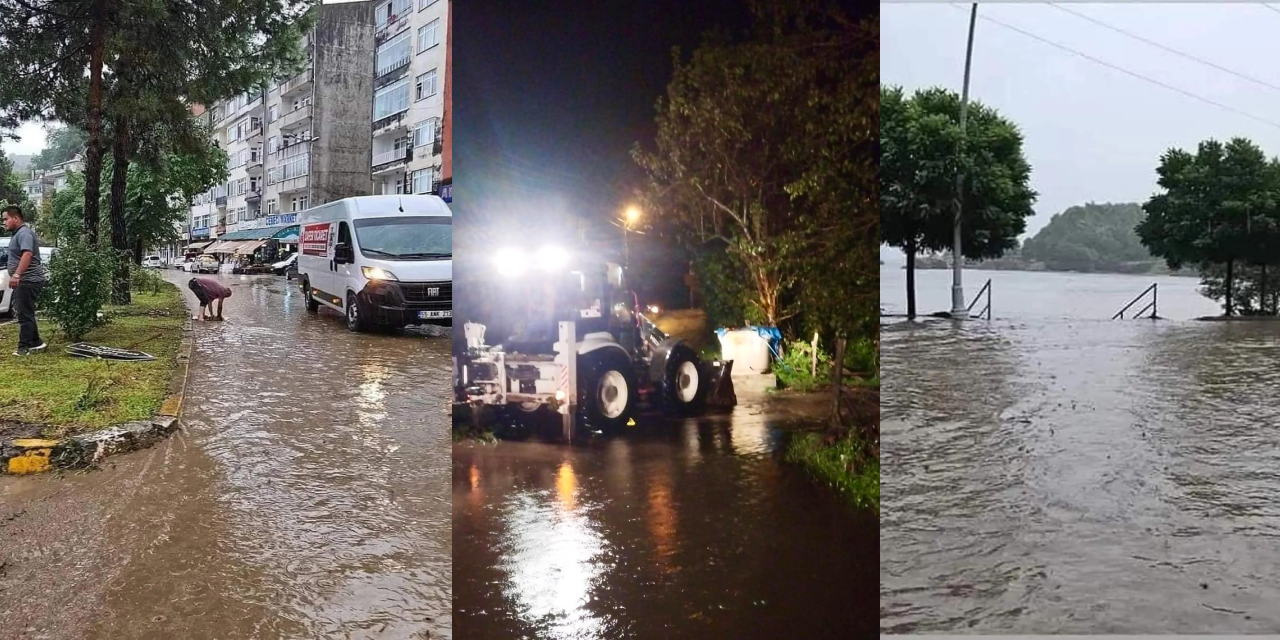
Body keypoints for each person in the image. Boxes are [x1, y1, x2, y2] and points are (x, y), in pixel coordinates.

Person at [3, 205, 48, 356]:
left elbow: (27, 254)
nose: (4, 223)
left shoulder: (24, 234)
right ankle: (36, 342)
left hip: (29, 279)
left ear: (16, 218)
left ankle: (24, 347)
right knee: (26, 312)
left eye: (6, 219)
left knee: (24, 314)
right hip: (26, 280)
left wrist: (17, 275)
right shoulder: (19, 234)